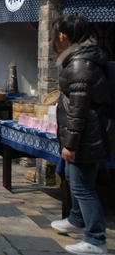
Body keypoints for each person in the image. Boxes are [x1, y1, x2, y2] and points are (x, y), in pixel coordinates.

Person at [49, 13, 109, 255]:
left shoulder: (79, 63)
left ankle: (96, 239)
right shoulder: (79, 58)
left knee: (84, 187)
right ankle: (76, 218)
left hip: (87, 135)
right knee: (74, 180)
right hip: (86, 133)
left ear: (62, 35)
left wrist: (71, 144)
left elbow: (79, 108)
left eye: (55, 33)